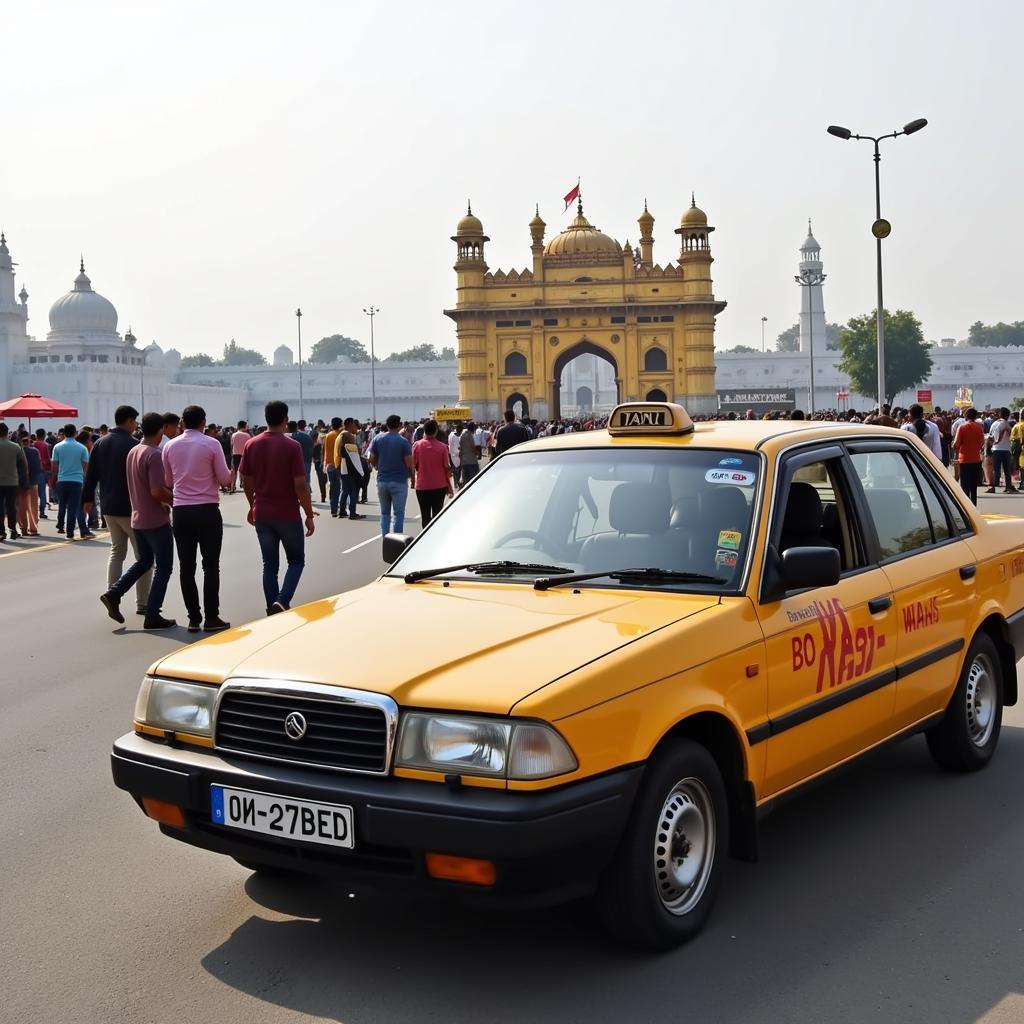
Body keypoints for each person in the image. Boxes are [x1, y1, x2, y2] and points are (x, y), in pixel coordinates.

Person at [99, 412, 177, 629]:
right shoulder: (153, 454)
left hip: (138, 517)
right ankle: (152, 613)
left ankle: (114, 593)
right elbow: (156, 491)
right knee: (164, 567)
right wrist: (175, 499)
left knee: (144, 561)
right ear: (161, 430)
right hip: (155, 519)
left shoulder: (134, 450)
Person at [240, 400, 317, 615]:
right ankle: (282, 601)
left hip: (262, 512)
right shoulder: (292, 446)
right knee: (296, 561)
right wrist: (309, 514)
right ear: (286, 419)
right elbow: (300, 485)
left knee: (269, 565)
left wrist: (251, 504)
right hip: (287, 513)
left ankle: (271, 606)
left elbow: (246, 480)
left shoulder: (251, 444)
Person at [163, 405, 232, 632]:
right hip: (207, 509)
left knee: (186, 567)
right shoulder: (212, 444)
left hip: (181, 510)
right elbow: (225, 479)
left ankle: (194, 618)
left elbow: (169, 482)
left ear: (182, 422)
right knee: (211, 566)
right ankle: (212, 617)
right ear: (203, 422)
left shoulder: (170, 446)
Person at [84, 405, 152, 616]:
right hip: (131, 507)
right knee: (144, 558)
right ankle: (143, 604)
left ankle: (112, 594)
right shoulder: (134, 445)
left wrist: (87, 499)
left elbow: (91, 475)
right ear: (130, 421)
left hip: (108, 507)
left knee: (117, 552)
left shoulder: (100, 443)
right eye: (135, 422)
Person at [368, 413, 414, 536]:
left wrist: (377, 466)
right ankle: (396, 541)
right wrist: (412, 478)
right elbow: (409, 463)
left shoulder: (377, 439)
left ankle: (385, 538)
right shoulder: (403, 442)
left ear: (387, 425)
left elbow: (371, 457)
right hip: (399, 481)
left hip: (382, 481)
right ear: (399, 425)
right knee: (398, 514)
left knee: (384, 514)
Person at [51, 423, 91, 539]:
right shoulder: (82, 448)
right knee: (73, 507)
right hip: (76, 480)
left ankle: (60, 524)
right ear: (75, 433)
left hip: (62, 479)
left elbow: (54, 464)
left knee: (62, 504)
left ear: (64, 433)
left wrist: (54, 477)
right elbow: (86, 464)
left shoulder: (57, 447)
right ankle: (70, 531)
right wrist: (83, 475)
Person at [413, 419, 454, 527]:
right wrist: (449, 487)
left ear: (424, 431)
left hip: (422, 486)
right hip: (439, 486)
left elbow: (414, 465)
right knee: (437, 516)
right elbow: (447, 468)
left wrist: (413, 480)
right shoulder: (443, 447)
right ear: (436, 431)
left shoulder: (417, 445)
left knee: (425, 516)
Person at [335, 417, 367, 520]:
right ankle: (352, 513)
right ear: (349, 425)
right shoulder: (348, 436)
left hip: (342, 466)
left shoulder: (339, 435)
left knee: (344, 490)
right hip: (350, 467)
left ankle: (342, 511)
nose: (356, 428)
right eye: (354, 425)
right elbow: (354, 453)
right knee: (353, 491)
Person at [0, 423, 27, 540]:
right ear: (7, 432)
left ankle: (1, 531)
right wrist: (25, 479)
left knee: (0, 507)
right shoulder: (16, 447)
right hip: (12, 481)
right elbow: (24, 465)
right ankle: (12, 529)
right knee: (11, 506)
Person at [953, 407, 985, 506]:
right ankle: (974, 506)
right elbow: (982, 443)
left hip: (964, 460)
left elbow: (956, 444)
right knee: (973, 486)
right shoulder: (979, 427)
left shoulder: (962, 427)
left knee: (965, 486)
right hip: (976, 459)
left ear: (965, 415)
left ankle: (966, 507)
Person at [986, 407, 1016, 494]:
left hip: (996, 449)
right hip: (1006, 449)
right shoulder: (1007, 424)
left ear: (1000, 414)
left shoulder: (995, 423)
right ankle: (1008, 487)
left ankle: (993, 487)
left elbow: (991, 436)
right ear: (1007, 415)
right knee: (1007, 470)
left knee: (996, 469)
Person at [17, 434, 41, 535]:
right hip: (33, 481)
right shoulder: (35, 451)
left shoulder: (18, 451)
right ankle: (33, 526)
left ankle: (22, 526)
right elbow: (39, 465)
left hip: (21, 482)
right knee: (34, 505)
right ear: (28, 442)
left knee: (21, 505)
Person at [323, 416, 343, 517]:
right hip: (339, 464)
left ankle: (333, 509)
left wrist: (324, 463)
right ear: (340, 424)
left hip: (329, 464)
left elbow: (325, 450)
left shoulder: (328, 435)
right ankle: (339, 508)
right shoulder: (340, 435)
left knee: (333, 486)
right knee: (339, 488)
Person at [289, 420, 314, 489]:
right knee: (306, 481)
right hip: (306, 461)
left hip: (292, 463)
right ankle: (308, 494)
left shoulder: (286, 437)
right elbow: (311, 448)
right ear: (296, 427)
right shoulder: (306, 436)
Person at [34, 428, 51, 518]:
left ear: (36, 435)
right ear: (44, 435)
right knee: (42, 492)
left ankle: (34, 511)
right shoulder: (46, 445)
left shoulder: (33, 445)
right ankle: (42, 511)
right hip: (45, 470)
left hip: (35, 470)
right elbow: (48, 458)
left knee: (34, 492)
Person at [229, 420, 250, 493]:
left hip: (235, 455)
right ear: (244, 426)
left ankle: (232, 486)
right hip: (244, 455)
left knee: (234, 471)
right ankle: (244, 485)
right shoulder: (247, 435)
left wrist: (232, 454)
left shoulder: (234, 435)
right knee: (244, 471)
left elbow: (232, 446)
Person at [459, 420, 481, 485]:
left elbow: (460, 449)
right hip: (471, 462)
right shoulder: (470, 436)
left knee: (466, 482)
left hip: (464, 462)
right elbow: (473, 448)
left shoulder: (462, 435)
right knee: (474, 481)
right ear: (473, 428)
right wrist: (477, 453)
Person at [448, 422, 463, 488]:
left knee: (458, 469)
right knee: (456, 470)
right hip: (454, 455)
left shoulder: (454, 435)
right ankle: (456, 483)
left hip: (456, 455)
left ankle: (457, 482)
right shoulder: (453, 436)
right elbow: (452, 446)